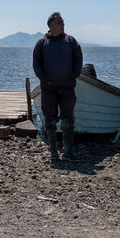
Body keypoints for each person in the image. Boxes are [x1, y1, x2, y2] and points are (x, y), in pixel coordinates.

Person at [32, 12, 83, 161]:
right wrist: (43, 77)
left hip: (67, 87)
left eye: (63, 21)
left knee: (68, 120)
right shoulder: (42, 43)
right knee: (50, 120)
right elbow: (36, 63)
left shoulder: (70, 41)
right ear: (51, 25)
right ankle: (53, 152)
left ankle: (68, 152)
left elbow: (78, 58)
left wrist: (75, 74)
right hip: (48, 89)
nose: (63, 24)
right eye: (59, 22)